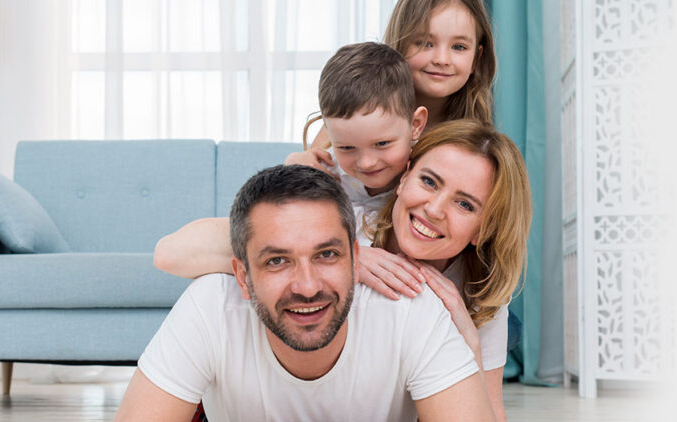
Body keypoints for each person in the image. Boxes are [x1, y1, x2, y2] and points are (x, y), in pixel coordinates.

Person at [115, 165, 493, 421]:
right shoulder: (210, 306)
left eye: (326, 255)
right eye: (277, 261)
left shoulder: (412, 311)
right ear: (242, 277)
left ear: (355, 261)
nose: (308, 287)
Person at [153, 41, 427, 278]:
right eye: (346, 147)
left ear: (416, 125)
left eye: (382, 144)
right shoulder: (324, 173)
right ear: (328, 133)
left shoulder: (429, 181)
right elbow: (168, 255)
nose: (366, 162)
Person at [364, 120, 531, 422]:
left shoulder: (479, 292)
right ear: (404, 178)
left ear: (483, 230)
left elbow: (491, 413)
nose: (434, 209)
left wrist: (471, 343)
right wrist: (346, 259)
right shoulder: (347, 233)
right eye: (429, 182)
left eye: (464, 205)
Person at [304, 0, 497, 150]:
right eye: (425, 43)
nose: (442, 59)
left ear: (476, 58)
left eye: (459, 47)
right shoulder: (356, 109)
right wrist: (300, 162)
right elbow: (310, 171)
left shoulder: (475, 142)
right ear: (399, 44)